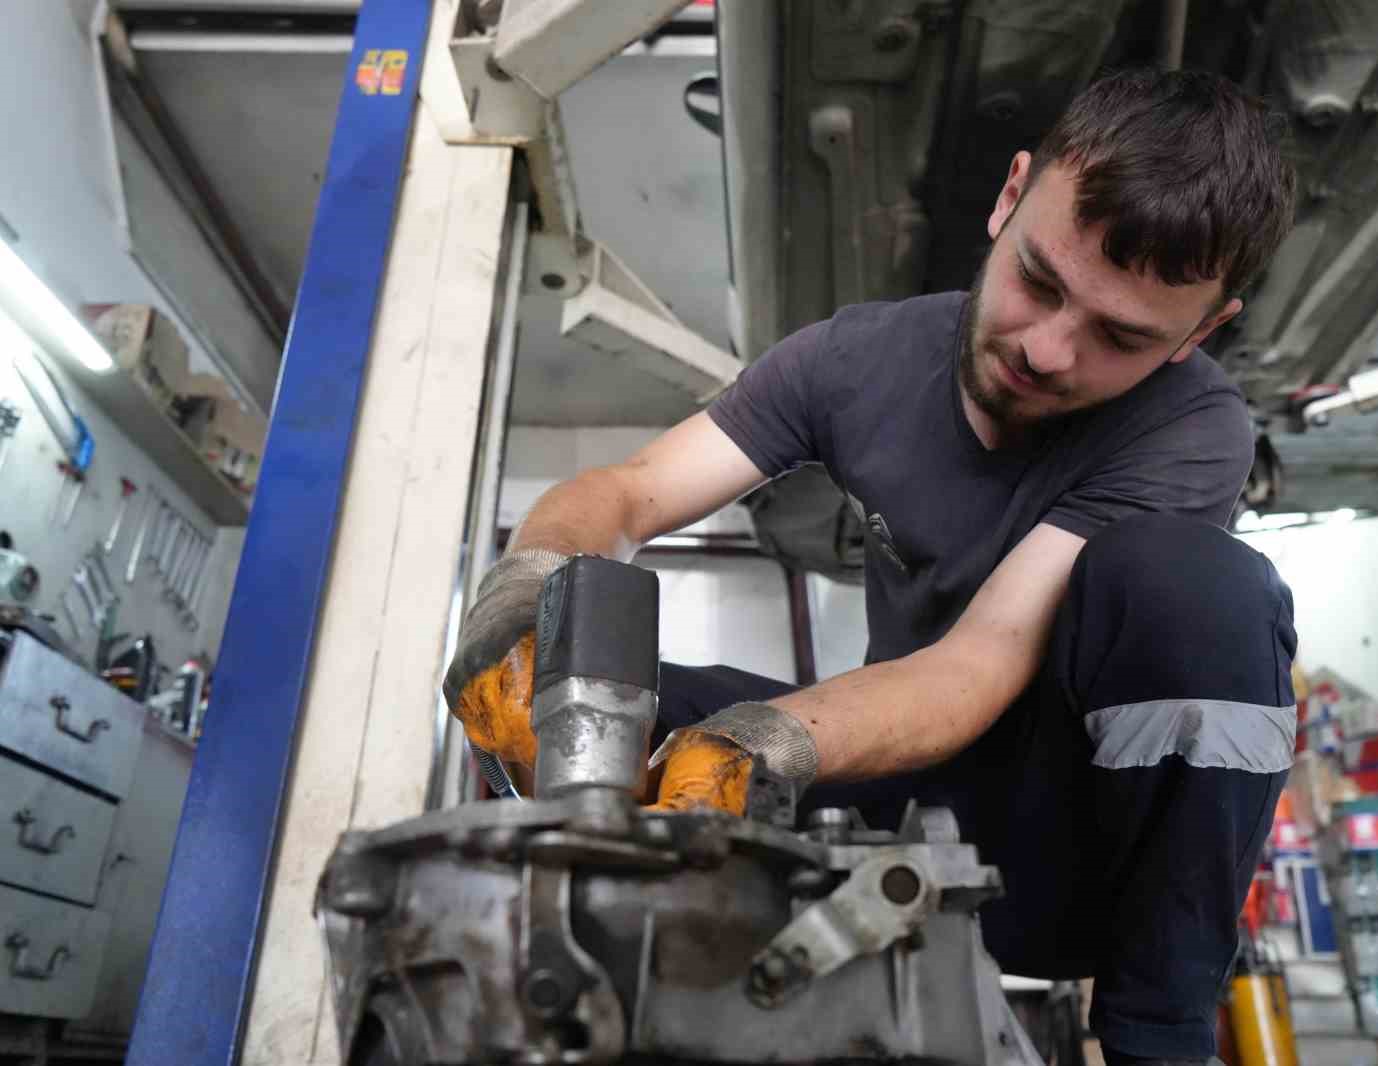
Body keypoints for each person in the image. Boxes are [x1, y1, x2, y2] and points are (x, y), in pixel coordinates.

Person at [446, 68, 1299, 1065]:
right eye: (1041, 280)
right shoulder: (858, 360)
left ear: (1200, 331)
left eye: (1119, 336)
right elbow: (632, 491)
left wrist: (761, 745)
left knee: (1202, 593)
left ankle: (1158, 1039)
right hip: (897, 792)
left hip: (1065, 855)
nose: (1049, 349)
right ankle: (604, 1019)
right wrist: (519, 595)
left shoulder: (1193, 429)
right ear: (1009, 194)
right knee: (573, 707)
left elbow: (975, 664)